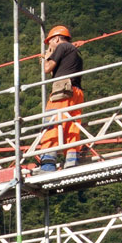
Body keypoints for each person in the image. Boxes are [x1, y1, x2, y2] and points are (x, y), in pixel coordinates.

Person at [41, 24, 87, 170]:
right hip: (76, 92)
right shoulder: (76, 52)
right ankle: (71, 160)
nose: (50, 46)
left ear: (56, 39)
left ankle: (48, 162)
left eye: (50, 43)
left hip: (62, 90)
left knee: (52, 122)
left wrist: (47, 57)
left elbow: (47, 69)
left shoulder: (62, 47)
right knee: (72, 125)